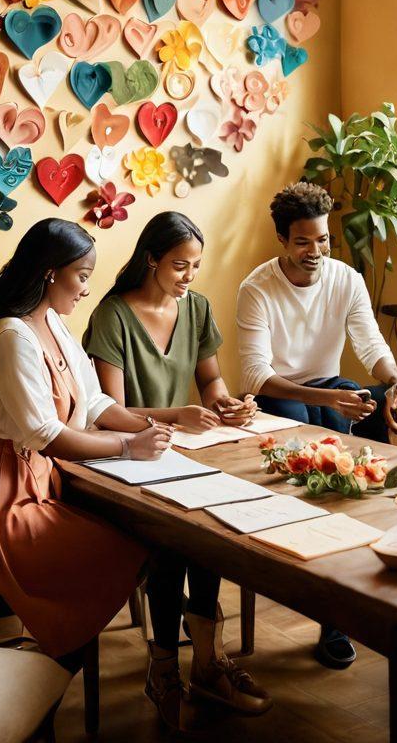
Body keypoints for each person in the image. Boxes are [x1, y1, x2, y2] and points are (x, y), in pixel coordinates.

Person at [0, 218, 171, 677]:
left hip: (34, 482)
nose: (85, 289)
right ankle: (49, 668)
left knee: (135, 541)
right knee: (118, 550)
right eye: (81, 275)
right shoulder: (11, 337)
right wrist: (127, 447)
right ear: (49, 272)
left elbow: (96, 401)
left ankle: (52, 661)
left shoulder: (54, 326)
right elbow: (45, 435)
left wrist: (154, 423)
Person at [85, 212, 272, 724]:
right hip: (127, 456)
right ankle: (164, 667)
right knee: (173, 542)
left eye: (195, 267)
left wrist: (228, 403)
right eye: (180, 266)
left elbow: (211, 382)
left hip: (184, 453)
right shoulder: (112, 316)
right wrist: (177, 415)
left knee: (208, 535)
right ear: (151, 259)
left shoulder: (197, 308)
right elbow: (111, 411)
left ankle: (207, 665)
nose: (189, 277)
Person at [236, 181, 397, 668]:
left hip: (328, 387)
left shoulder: (346, 279)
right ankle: (328, 609)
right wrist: (327, 397)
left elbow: (371, 345)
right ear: (282, 240)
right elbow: (256, 376)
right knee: (308, 427)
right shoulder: (257, 288)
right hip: (280, 395)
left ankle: (376, 555)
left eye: (323, 240)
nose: (315, 252)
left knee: (374, 403)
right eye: (303, 242)